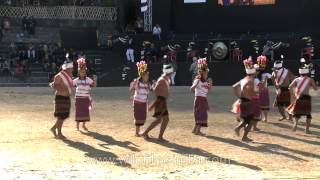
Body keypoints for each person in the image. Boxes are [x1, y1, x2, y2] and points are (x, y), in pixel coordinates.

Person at [142, 64, 174, 141]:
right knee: (161, 119)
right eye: (171, 72)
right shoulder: (162, 79)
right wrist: (153, 86)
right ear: (169, 72)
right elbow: (155, 90)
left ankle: (158, 136)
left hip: (162, 101)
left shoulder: (165, 79)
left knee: (162, 119)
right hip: (160, 101)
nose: (172, 73)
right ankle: (146, 133)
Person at [287, 66, 317, 134]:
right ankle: (307, 130)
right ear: (307, 72)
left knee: (297, 113)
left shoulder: (296, 79)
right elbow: (315, 88)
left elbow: (290, 87)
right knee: (308, 114)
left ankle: (295, 125)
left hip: (298, 98)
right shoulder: (310, 79)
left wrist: (293, 95)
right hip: (306, 98)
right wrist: (315, 85)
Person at [233, 58, 257, 142]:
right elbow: (253, 91)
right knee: (250, 121)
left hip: (242, 101)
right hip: (247, 102)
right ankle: (239, 130)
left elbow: (234, 86)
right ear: (253, 73)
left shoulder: (243, 80)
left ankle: (244, 136)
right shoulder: (251, 80)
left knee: (247, 120)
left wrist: (239, 96)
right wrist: (255, 93)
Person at [49, 60, 74, 139]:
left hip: (67, 97)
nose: (72, 69)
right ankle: (59, 133)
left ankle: (53, 128)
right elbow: (55, 86)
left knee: (63, 116)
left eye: (72, 68)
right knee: (61, 116)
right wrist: (62, 88)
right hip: (60, 97)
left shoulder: (70, 75)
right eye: (70, 68)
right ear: (66, 68)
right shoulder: (59, 76)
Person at [73, 58, 97, 131]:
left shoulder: (88, 79)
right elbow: (70, 84)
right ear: (78, 72)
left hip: (86, 98)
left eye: (84, 72)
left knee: (85, 112)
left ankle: (83, 125)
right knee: (78, 111)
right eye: (81, 72)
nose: (82, 73)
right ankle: (77, 125)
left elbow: (94, 85)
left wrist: (95, 79)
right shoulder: (76, 80)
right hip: (78, 98)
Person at [191, 58, 212, 136]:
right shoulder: (198, 80)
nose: (207, 75)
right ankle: (198, 131)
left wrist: (210, 84)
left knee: (201, 114)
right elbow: (192, 88)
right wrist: (194, 86)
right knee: (201, 114)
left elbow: (209, 91)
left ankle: (194, 129)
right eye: (206, 73)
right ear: (202, 73)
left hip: (203, 99)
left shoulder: (205, 82)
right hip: (199, 99)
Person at [130, 61, 151, 137]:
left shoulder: (148, 84)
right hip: (137, 102)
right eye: (146, 75)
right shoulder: (137, 82)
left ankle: (139, 131)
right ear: (142, 75)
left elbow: (150, 91)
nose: (147, 77)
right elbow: (132, 89)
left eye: (148, 75)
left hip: (144, 102)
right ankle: (137, 132)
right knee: (138, 117)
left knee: (143, 117)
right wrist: (132, 93)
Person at [256, 55, 272, 122]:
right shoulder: (265, 74)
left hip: (260, 90)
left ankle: (263, 117)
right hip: (261, 90)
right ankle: (263, 117)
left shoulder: (263, 74)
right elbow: (272, 77)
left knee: (262, 104)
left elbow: (272, 77)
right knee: (262, 104)